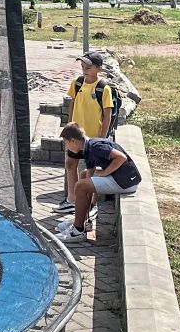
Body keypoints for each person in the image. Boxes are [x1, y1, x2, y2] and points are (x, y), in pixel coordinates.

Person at [56, 122, 142, 242]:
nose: (66, 147)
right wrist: (89, 205)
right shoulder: (87, 148)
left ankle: (77, 231)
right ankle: (82, 222)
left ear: (73, 141)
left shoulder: (95, 146)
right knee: (83, 176)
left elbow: (121, 157)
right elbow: (89, 176)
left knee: (80, 186)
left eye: (66, 143)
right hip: (120, 178)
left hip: (126, 182)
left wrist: (105, 172)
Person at [55, 51, 114, 215]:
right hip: (75, 137)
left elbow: (107, 114)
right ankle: (71, 200)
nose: (84, 69)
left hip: (92, 138)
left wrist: (102, 138)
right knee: (70, 164)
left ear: (98, 69)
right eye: (82, 66)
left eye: (88, 67)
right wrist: (69, 126)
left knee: (90, 171)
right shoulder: (77, 83)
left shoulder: (104, 88)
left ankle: (91, 204)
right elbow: (72, 104)